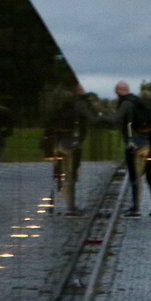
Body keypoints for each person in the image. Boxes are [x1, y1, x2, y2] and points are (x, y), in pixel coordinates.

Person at [44, 84, 95, 215]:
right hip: (70, 146)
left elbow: (48, 129)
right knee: (70, 176)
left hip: (56, 145)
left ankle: (51, 202)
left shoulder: (54, 113)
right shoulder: (74, 112)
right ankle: (70, 206)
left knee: (57, 174)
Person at [114, 81, 151, 218]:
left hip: (138, 146)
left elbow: (128, 128)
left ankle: (136, 208)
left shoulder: (134, 112)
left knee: (135, 178)